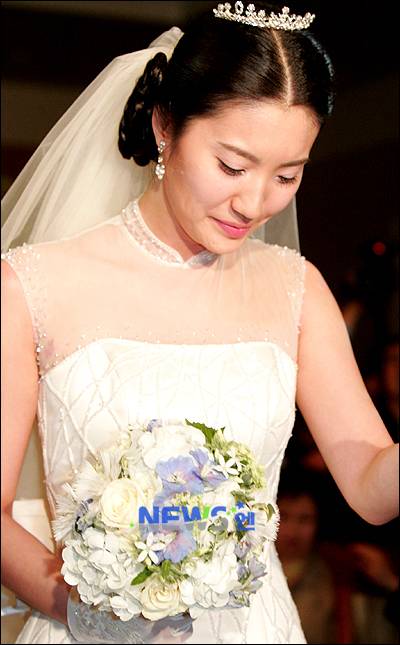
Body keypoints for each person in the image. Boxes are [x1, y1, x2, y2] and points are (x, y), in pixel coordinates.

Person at [1, 3, 398, 644]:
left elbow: (371, 486)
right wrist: (82, 611)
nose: (254, 202)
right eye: (232, 166)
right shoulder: (33, 285)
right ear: (166, 125)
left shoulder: (297, 289)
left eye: (287, 175)